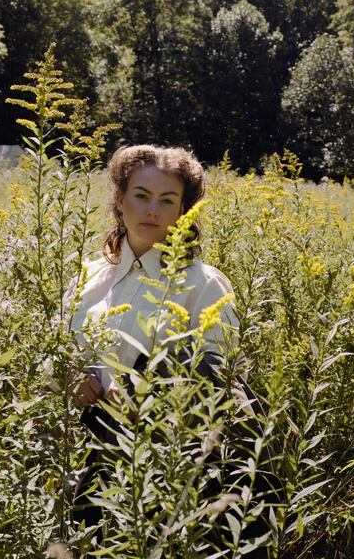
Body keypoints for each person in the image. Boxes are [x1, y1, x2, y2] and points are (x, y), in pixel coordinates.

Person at [65, 144, 241, 534]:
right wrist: (70, 378)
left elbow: (220, 382)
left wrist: (148, 396)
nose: (152, 211)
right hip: (77, 453)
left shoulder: (204, 285)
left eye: (166, 200)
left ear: (182, 210)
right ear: (120, 200)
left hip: (162, 466)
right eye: (141, 196)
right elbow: (56, 351)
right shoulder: (88, 277)